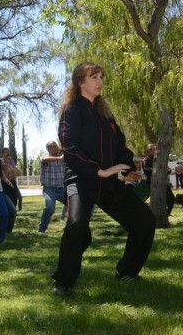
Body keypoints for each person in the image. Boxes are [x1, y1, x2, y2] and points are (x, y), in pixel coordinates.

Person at [51, 62, 156, 297]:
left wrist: (126, 167)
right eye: (94, 77)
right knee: (77, 227)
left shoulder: (105, 113)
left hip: (109, 181)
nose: (99, 81)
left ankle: (127, 272)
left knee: (145, 221)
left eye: (101, 77)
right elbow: (70, 147)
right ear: (80, 82)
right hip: (81, 178)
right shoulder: (72, 110)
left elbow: (120, 143)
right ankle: (63, 282)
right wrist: (99, 170)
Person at [37, 140, 68, 233]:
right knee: (50, 208)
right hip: (49, 189)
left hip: (62, 189)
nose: (55, 147)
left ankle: (69, 227)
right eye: (53, 146)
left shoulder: (63, 159)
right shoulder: (46, 158)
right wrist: (60, 158)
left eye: (55, 146)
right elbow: (44, 160)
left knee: (74, 205)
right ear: (48, 149)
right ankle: (41, 229)